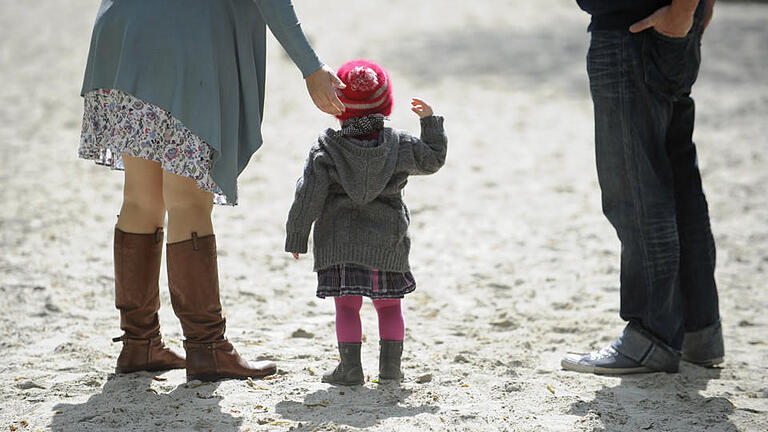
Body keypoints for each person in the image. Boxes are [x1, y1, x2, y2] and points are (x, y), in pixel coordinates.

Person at [78, 0, 345, 382]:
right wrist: (311, 67)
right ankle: (206, 349)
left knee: (141, 197)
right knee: (187, 201)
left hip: (122, 33)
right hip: (183, 43)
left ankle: (140, 344)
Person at [561, 0, 724, 374]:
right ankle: (698, 330)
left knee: (635, 189)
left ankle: (652, 336)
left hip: (635, 28)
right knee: (678, 179)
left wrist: (685, 11)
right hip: (662, 23)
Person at [285, 60, 447, 385]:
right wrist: (430, 122)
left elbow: (308, 194)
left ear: (338, 106)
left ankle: (350, 369)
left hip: (339, 244)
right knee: (389, 308)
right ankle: (390, 369)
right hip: (387, 243)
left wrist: (297, 236)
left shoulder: (327, 148)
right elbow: (432, 159)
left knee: (346, 308)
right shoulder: (399, 144)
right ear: (386, 102)